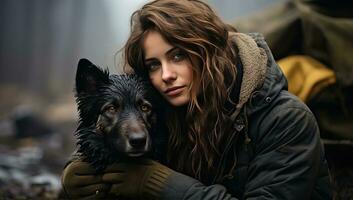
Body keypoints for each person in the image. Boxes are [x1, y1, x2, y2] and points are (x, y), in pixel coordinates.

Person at [61, 0, 332, 199]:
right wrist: (78, 170)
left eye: (178, 56)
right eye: (154, 65)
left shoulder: (286, 120)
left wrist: (160, 185)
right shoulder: (163, 106)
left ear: (208, 52)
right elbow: (115, 122)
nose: (166, 74)